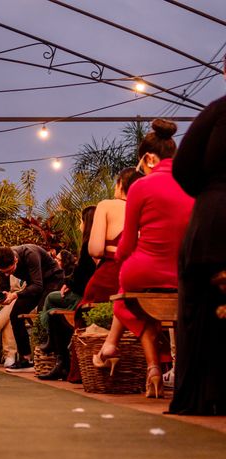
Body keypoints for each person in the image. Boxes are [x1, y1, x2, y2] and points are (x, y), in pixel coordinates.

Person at [93, 119, 194, 399]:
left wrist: (123, 261)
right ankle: (146, 365)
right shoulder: (192, 185)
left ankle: (149, 368)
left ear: (149, 158)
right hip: (184, 272)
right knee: (138, 301)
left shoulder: (140, 187)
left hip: (145, 270)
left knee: (125, 298)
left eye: (141, 164)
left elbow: (127, 244)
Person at [169, 64, 226, 415]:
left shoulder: (218, 111)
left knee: (200, 308)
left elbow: (182, 166)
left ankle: (203, 395)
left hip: (215, 220)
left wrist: (209, 194)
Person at [0, 244, 64, 369]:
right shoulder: (4, 265)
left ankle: (49, 358)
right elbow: (4, 288)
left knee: (42, 313)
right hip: (34, 284)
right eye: (3, 272)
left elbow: (38, 286)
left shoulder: (30, 254)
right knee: (15, 314)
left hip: (53, 280)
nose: (7, 275)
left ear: (15, 260)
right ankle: (25, 358)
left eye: (10, 271)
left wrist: (15, 295)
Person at [37, 206, 97, 381]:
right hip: (83, 290)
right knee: (52, 307)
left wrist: (68, 283)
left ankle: (57, 354)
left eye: (81, 220)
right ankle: (56, 352)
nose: (79, 224)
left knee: (52, 307)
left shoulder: (90, 244)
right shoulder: (92, 243)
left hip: (85, 294)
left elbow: (82, 275)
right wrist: (68, 283)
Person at [79, 168, 143, 305]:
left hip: (110, 277)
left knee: (87, 313)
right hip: (139, 280)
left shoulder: (106, 205)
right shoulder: (145, 210)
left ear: (120, 184)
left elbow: (95, 250)